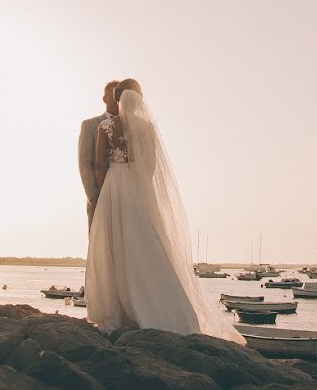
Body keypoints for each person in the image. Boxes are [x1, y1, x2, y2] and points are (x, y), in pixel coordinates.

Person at [85, 79, 243, 343]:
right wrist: (139, 188)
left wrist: (105, 192)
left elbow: (100, 164)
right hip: (137, 186)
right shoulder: (147, 127)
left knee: (113, 244)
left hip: (113, 186)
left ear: (118, 98)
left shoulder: (106, 127)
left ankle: (121, 311)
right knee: (146, 244)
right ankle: (165, 309)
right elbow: (151, 165)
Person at [78, 80, 119, 232]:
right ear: (105, 99)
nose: (117, 99)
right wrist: (93, 197)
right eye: (113, 95)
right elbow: (84, 162)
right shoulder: (89, 126)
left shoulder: (131, 127)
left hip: (125, 197)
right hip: (98, 199)